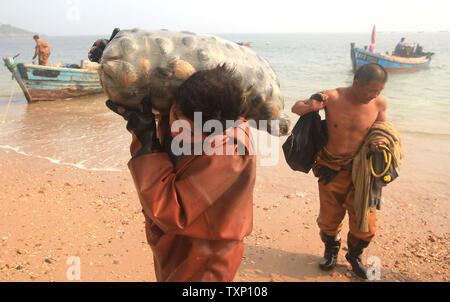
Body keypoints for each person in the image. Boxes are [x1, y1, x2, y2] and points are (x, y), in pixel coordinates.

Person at [106, 64, 256, 282]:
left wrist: (145, 143)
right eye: (173, 114)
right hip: (181, 245)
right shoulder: (205, 124)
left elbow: (170, 211)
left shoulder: (228, 152)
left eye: (180, 122)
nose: (172, 124)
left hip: (206, 258)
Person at [291, 63, 391, 279]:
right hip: (331, 169)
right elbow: (296, 108)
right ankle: (331, 251)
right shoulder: (332, 97)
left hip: (362, 173)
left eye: (379, 91)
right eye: (371, 90)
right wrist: (312, 106)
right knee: (329, 218)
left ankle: (354, 256)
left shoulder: (379, 102)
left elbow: (381, 129)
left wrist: (379, 142)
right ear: (356, 83)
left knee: (366, 223)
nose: (375, 95)